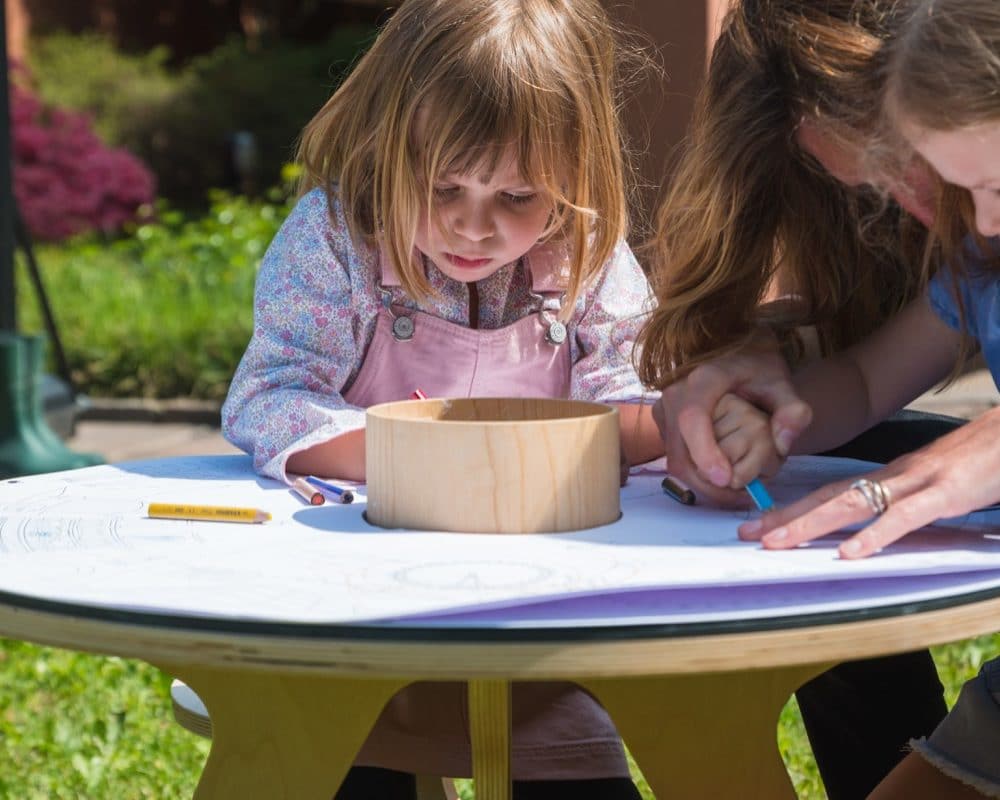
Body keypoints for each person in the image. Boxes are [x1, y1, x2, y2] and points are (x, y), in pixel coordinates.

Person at [220, 1, 670, 797]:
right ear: (387, 148)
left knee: (567, 766)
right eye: (443, 187)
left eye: (518, 197)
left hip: (542, 611)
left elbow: (630, 387)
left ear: (575, 178)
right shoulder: (335, 238)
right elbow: (269, 395)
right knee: (354, 760)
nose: (472, 227)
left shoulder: (586, 251)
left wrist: (677, 422)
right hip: (356, 610)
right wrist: (420, 455)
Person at [634, 1, 971, 797]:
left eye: (908, 163)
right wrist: (761, 404)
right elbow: (861, 381)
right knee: (818, 498)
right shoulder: (973, 264)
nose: (913, 208)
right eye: (872, 193)